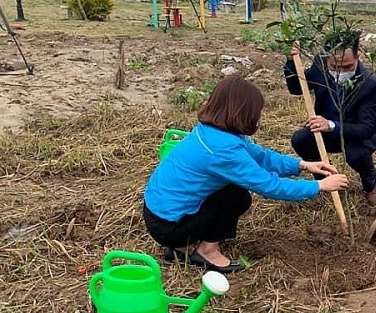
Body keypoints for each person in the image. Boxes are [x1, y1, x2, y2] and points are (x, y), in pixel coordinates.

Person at [143, 75, 348, 274]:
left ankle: (179, 248)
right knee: (236, 196)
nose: (258, 117)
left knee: (232, 189)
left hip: (160, 213)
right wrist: (319, 186)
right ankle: (206, 251)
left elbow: (259, 156)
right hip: (167, 225)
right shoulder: (223, 151)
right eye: (256, 112)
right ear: (242, 113)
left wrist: (302, 165)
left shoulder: (213, 131)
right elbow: (270, 186)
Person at [284, 34, 376, 206]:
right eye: (334, 66)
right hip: (325, 131)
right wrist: (291, 61)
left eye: (347, 66)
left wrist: (331, 125)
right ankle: (324, 180)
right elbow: (297, 88)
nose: (340, 72)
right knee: (300, 140)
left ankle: (371, 183)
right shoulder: (320, 65)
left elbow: (366, 128)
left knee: (357, 155)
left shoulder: (369, 83)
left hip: (355, 135)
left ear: (357, 57)